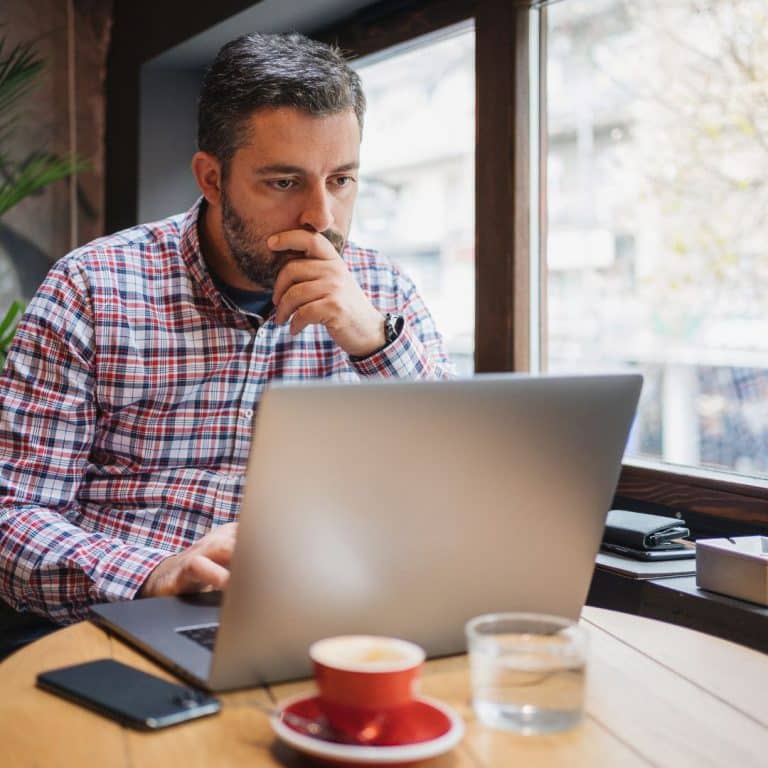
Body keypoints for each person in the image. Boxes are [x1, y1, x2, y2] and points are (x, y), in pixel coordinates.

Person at [0, 32, 452, 639]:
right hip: (121, 621)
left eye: (341, 179)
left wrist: (374, 342)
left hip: (320, 622)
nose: (321, 215)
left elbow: (451, 489)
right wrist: (154, 574)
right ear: (211, 179)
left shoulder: (385, 295)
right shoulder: (91, 288)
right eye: (284, 182)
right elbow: (14, 515)